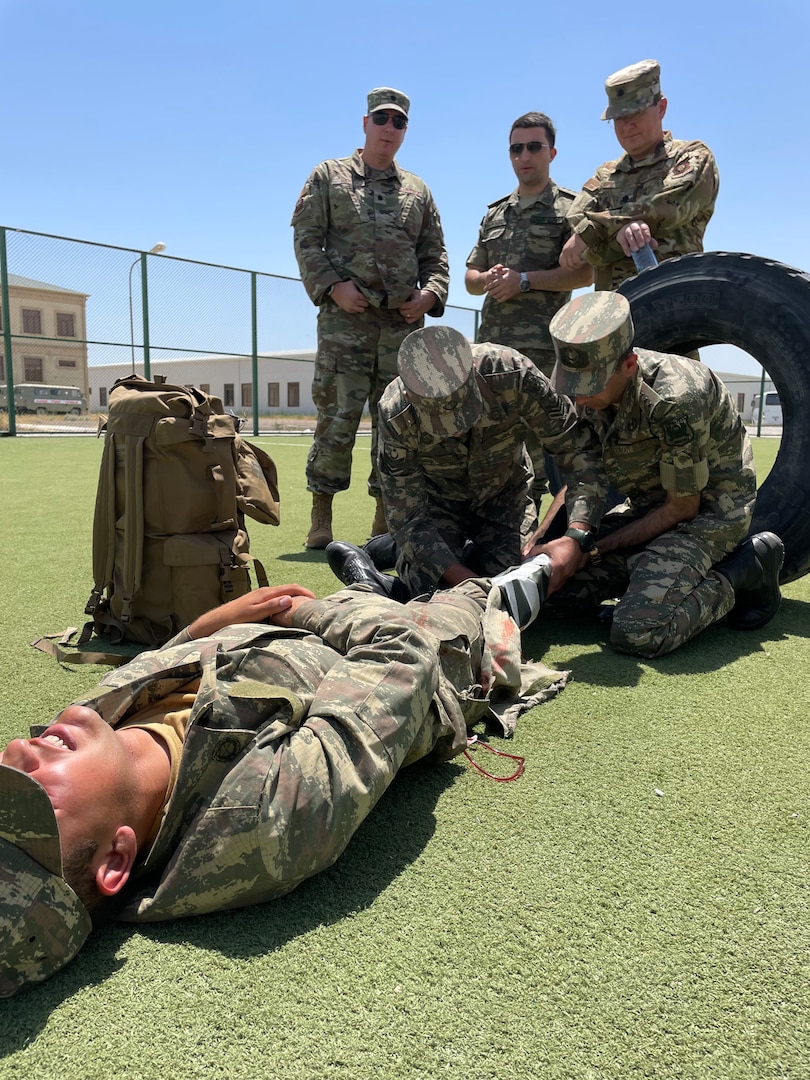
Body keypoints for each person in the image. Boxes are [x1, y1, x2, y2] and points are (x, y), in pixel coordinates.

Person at [0, 576, 565, 998]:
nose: (20, 750)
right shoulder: (260, 817)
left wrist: (209, 626)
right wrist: (306, 611)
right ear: (116, 858)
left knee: (394, 579)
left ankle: (379, 574)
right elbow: (401, 652)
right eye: (32, 792)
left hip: (294, 627)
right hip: (421, 651)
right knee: (475, 593)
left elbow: (158, 663)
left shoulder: (93, 749)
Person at [523, 291, 784, 658]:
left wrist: (592, 551)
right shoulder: (590, 395)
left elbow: (682, 509)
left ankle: (741, 572)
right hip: (649, 509)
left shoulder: (676, 399)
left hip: (709, 515)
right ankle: (649, 575)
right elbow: (585, 477)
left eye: (589, 386)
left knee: (638, 632)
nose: (578, 400)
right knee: (549, 596)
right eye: (572, 385)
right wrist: (548, 544)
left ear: (628, 365)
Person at [325, 325, 604, 604]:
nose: (456, 430)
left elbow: (578, 451)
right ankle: (398, 551)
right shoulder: (396, 411)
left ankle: (438, 555)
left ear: (471, 370)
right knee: (431, 596)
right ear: (411, 397)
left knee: (520, 585)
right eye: (440, 422)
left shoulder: (513, 375)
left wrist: (577, 533)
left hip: (505, 497)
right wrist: (470, 584)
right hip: (438, 504)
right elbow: (408, 516)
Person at [292, 87, 449, 548]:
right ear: (365, 123)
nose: (389, 128)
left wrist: (429, 297)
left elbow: (435, 255)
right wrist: (333, 288)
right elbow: (306, 237)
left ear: (405, 131)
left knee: (396, 423)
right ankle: (322, 517)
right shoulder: (329, 175)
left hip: (401, 329)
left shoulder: (417, 190)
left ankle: (384, 519)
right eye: (381, 118)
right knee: (336, 419)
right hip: (346, 326)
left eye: (398, 122)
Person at [559, 60, 719, 292]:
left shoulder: (692, 156)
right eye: (619, 118)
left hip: (675, 301)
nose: (628, 125)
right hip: (612, 312)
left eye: (636, 112)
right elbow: (577, 228)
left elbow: (665, 208)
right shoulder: (605, 175)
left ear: (661, 107)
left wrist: (595, 232)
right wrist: (621, 232)